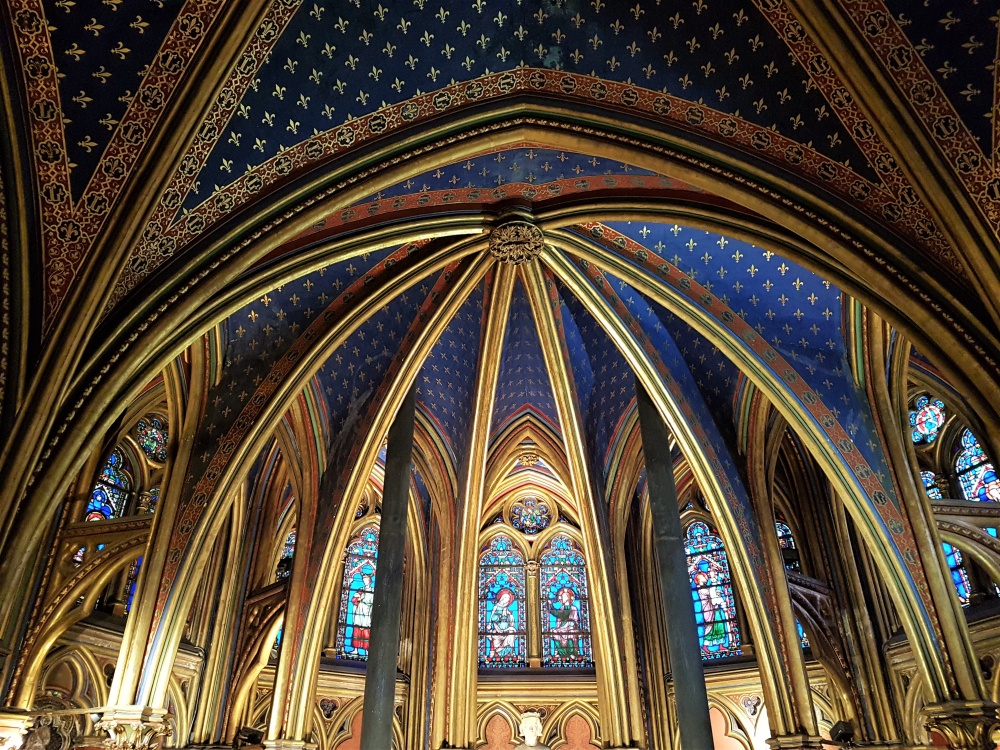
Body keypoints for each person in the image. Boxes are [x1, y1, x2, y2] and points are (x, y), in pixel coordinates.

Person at [548, 587, 580, 660]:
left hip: (571, 627)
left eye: (565, 597)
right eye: (562, 597)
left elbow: (575, 619)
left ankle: (571, 652)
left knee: (570, 633)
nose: (564, 599)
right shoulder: (562, 608)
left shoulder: (574, 608)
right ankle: (560, 652)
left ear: (569, 598)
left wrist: (573, 624)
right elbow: (559, 615)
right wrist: (551, 606)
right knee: (554, 632)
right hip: (562, 627)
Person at [487, 587, 518, 661]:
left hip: (506, 630)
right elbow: (492, 618)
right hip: (498, 629)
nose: (506, 603)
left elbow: (510, 619)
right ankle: (497, 652)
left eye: (507, 601)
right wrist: (500, 616)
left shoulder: (506, 608)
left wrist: (509, 616)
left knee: (511, 633)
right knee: (495, 636)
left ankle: (512, 652)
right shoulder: (496, 607)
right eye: (505, 600)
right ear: (502, 599)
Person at [349, 572, 374, 653]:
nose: (365, 581)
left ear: (370, 581)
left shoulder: (373, 591)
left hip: (368, 613)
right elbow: (354, 600)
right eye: (364, 580)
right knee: (357, 630)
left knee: (366, 632)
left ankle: (367, 650)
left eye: (366, 580)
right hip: (359, 613)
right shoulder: (360, 590)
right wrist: (360, 599)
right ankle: (355, 650)